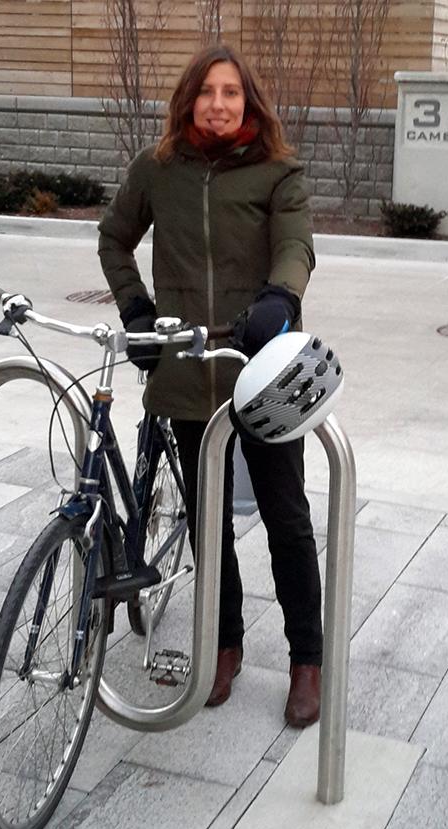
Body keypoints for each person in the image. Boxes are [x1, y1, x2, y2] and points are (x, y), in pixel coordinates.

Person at [98, 44, 322, 728]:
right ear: (189, 100)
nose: (219, 104)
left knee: (286, 516)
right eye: (207, 93)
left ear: (249, 102)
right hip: (190, 368)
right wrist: (137, 311)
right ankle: (223, 645)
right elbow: (114, 237)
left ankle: (306, 660)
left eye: (232, 93)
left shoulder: (279, 171)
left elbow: (297, 244)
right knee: (206, 520)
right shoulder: (159, 169)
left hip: (267, 366)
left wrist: (280, 297)